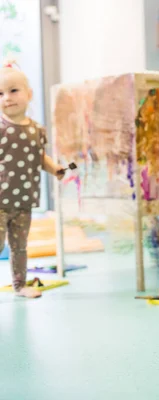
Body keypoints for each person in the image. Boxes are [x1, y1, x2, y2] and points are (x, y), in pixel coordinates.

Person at [0, 62, 66, 298]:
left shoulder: (37, 130)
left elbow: (39, 157)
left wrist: (54, 168)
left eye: (13, 90)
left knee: (20, 246)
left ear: (29, 94)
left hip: (24, 200)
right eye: (0, 93)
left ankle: (19, 285)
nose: (7, 98)